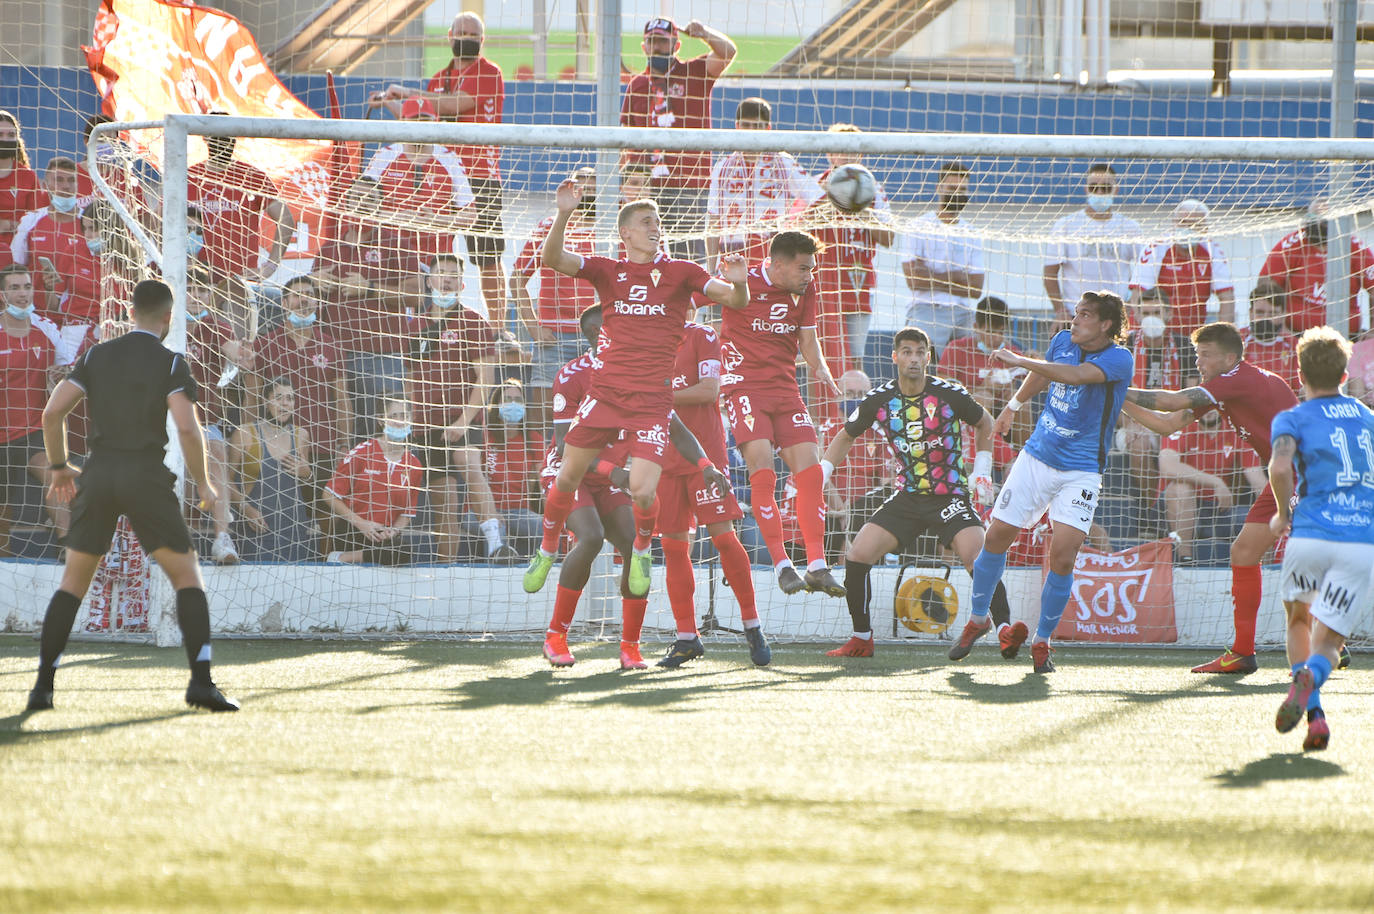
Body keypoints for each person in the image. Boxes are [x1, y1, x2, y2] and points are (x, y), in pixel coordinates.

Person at [523, 184, 749, 600]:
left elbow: (732, 297)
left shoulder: (682, 271)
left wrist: (740, 283)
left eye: (659, 223)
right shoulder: (608, 271)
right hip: (605, 397)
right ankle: (546, 549)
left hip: (651, 403)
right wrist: (563, 214)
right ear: (625, 232)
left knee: (644, 491)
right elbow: (551, 258)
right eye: (647, 222)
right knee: (567, 477)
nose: (656, 229)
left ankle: (643, 550)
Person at [26, 279, 237, 712]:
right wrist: (203, 482)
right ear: (169, 317)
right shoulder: (171, 362)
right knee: (186, 578)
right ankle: (200, 683)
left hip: (99, 475)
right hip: (145, 478)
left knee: (73, 583)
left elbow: (52, 413)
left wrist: (61, 465)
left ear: (129, 312)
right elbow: (185, 427)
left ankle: (43, 688)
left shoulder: (95, 355)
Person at [538, 303, 728, 669]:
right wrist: (613, 472)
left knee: (634, 544)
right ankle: (556, 636)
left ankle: (630, 647)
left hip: (613, 477)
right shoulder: (572, 375)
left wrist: (705, 465)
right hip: (570, 472)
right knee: (591, 537)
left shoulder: (643, 376)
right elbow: (564, 445)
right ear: (598, 335)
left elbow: (677, 429)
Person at [820, 327, 1020, 658]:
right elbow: (845, 435)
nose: (914, 358)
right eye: (907, 352)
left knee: (979, 560)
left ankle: (1003, 629)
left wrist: (982, 472)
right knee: (857, 556)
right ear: (895, 356)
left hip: (950, 496)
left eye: (919, 353)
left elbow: (985, 422)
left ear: (928, 357)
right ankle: (861, 638)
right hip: (907, 497)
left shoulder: (949, 393)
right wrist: (822, 472)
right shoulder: (879, 399)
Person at [965, 291, 1134, 673]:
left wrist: (1018, 359)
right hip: (1037, 457)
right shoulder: (1062, 339)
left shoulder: (1119, 358)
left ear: (1106, 325)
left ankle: (1042, 641)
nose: (1075, 320)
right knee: (995, 536)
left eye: (1085, 315)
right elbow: (1045, 371)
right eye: (1076, 312)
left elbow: (1073, 375)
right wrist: (1012, 407)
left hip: (1082, 469)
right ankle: (978, 618)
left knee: (1063, 555)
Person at [1121, 321, 1298, 673]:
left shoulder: (1239, 379)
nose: (1199, 361)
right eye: (1197, 354)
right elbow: (1168, 423)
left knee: (1305, 561)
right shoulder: (1224, 388)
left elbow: (1170, 400)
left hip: (1308, 475)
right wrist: (1116, 402)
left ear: (1230, 357)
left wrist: (1113, 387)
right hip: (1284, 477)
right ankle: (1242, 653)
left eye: (1206, 355)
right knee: (1244, 552)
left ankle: (1327, 644)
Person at [719, 230, 845, 597]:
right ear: (777, 264)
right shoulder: (740, 278)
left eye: (812, 267)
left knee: (809, 474)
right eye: (803, 267)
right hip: (743, 387)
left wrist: (819, 367)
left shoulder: (807, 289)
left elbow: (808, 338)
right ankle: (782, 564)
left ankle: (818, 566)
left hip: (786, 390)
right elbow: (694, 296)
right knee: (763, 471)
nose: (809, 274)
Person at [1269, 327, 1374, 751]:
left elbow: (1279, 467)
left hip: (1310, 534)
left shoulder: (1292, 417)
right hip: (1360, 543)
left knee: (1298, 620)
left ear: (1301, 372)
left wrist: (1281, 513)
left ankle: (1315, 713)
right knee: (1330, 643)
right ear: (1346, 371)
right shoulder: (1368, 417)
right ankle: (1314, 680)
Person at [371, 11, 507, 321]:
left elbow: (455, 104)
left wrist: (406, 91)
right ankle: (432, 320)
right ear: (449, 36)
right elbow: (418, 124)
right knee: (433, 255)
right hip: (440, 175)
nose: (466, 39)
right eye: (461, 33)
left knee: (486, 257)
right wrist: (390, 103)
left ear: (482, 40)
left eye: (473, 35)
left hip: (479, 175)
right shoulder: (438, 78)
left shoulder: (488, 71)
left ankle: (498, 327)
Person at [654, 317, 770, 668]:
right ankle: (687, 637)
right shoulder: (647, 340)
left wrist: (658, 395)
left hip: (705, 455)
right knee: (673, 546)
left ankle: (752, 626)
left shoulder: (701, 334)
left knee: (723, 537)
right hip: (662, 455)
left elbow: (710, 390)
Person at [405, 253, 517, 563]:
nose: (448, 278)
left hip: (462, 419)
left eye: (454, 273)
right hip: (427, 425)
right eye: (441, 272)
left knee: (468, 463)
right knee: (445, 503)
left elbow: (486, 378)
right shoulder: (415, 325)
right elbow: (410, 379)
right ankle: (446, 569)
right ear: (430, 281)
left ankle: (496, 545)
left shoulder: (472, 321)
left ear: (462, 282)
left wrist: (464, 421)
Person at [620, 16, 736, 260]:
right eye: (651, 41)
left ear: (676, 45)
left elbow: (728, 52)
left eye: (662, 41)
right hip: (647, 190)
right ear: (644, 46)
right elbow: (626, 139)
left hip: (689, 186)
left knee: (689, 260)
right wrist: (625, 185)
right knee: (645, 259)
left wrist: (704, 33)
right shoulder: (637, 85)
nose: (656, 47)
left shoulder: (695, 71)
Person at [511, 167, 599, 440]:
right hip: (554, 338)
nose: (586, 189)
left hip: (598, 339)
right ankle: (546, 474)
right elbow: (516, 279)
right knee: (545, 417)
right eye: (580, 183)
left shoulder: (612, 228)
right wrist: (533, 327)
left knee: (597, 412)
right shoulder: (549, 227)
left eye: (592, 183)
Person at [187, 115, 291, 341]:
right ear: (206, 137)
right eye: (217, 135)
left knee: (239, 350)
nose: (222, 140)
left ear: (235, 137)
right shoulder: (188, 176)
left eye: (228, 135)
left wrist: (270, 266)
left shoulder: (251, 176)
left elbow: (285, 219)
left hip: (239, 283)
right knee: (199, 351)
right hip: (196, 285)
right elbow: (158, 222)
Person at [361, 96, 476, 288]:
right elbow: (359, 207)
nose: (420, 127)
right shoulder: (385, 156)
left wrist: (436, 220)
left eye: (426, 121)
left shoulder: (449, 159)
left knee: (434, 314)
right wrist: (398, 217)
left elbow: (471, 215)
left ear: (435, 123)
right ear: (403, 122)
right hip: (390, 254)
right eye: (415, 121)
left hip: (436, 260)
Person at [809, 124, 895, 376]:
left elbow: (888, 238)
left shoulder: (872, 189)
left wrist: (861, 207)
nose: (847, 156)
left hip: (858, 285)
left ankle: (849, 413)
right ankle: (819, 415)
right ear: (829, 154)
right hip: (821, 287)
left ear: (862, 155)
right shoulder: (815, 185)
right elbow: (797, 228)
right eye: (841, 150)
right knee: (818, 359)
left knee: (855, 362)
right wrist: (828, 200)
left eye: (854, 151)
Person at [705, 97, 824, 274]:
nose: (751, 131)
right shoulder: (722, 167)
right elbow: (713, 220)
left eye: (757, 126)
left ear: (768, 128)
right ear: (737, 126)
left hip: (773, 257)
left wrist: (797, 229)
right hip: (733, 258)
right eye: (746, 125)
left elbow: (818, 198)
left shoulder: (783, 162)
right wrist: (710, 268)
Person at [185, 273, 254, 564]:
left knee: (217, 452)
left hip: (202, 422)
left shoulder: (215, 326)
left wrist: (242, 355)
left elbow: (234, 351)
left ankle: (222, 540)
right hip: (159, 422)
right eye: (189, 289)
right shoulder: (163, 323)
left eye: (202, 289)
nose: (196, 295)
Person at [251, 275, 351, 467]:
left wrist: (344, 443)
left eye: (309, 295)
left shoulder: (332, 346)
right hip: (276, 448)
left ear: (317, 303)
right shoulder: (264, 344)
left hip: (323, 447)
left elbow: (342, 400)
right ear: (285, 303)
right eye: (297, 295)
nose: (304, 300)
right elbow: (253, 397)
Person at [10, 157, 95, 363]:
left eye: (71, 180)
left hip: (77, 323)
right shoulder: (31, 221)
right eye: (59, 180)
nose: (65, 186)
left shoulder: (90, 223)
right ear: (46, 184)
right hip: (39, 318)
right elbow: (15, 267)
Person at [1, 264, 62, 547]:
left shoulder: (47, 329)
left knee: (59, 480)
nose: (22, 294)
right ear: (3, 294)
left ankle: (69, 545)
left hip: (33, 433)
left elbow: (68, 372)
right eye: (14, 288)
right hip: (2, 436)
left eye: (26, 286)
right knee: (3, 512)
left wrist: (61, 377)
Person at [324, 399, 423, 566]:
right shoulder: (362, 452)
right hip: (353, 530)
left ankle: (348, 558)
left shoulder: (414, 465)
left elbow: (407, 513)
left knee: (403, 551)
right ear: (381, 420)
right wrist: (362, 524)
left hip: (383, 538)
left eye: (404, 415)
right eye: (393, 416)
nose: (399, 421)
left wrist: (392, 531)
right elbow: (328, 495)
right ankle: (341, 556)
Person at [1043, 164, 1142, 329]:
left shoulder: (1130, 227)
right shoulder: (1066, 225)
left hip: (1115, 316)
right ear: (1086, 190)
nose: (1100, 193)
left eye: (1105, 188)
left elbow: (1143, 272)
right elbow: (1050, 274)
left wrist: (1132, 306)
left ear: (1115, 190)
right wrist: (1060, 311)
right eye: (1094, 187)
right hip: (1076, 315)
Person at [901, 161, 985, 356]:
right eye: (952, 188)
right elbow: (914, 281)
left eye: (963, 189)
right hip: (926, 308)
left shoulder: (971, 233)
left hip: (963, 311)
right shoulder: (918, 226)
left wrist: (931, 274)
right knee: (921, 362)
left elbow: (975, 289)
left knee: (972, 364)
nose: (958, 193)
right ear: (939, 188)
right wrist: (956, 276)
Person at [229, 377, 315, 563]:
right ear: (265, 401)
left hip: (294, 530)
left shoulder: (301, 435)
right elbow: (224, 481)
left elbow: (307, 480)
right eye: (278, 397)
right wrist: (246, 509)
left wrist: (307, 473)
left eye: (290, 398)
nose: (285, 403)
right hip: (256, 529)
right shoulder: (244, 433)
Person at [1259, 206, 1374, 338]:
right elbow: (1265, 286)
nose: (1317, 224)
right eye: (1312, 219)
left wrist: (1372, 331)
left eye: (1322, 221)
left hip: (1345, 336)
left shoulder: (1356, 248)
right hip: (1295, 335)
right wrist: (1281, 329)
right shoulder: (1290, 244)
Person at [1128, 199, 1235, 333]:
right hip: (1154, 330)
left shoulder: (1213, 250)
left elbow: (1227, 296)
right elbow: (1138, 293)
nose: (1187, 229)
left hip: (1192, 333)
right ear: (1174, 224)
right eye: (1183, 223)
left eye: (1195, 224)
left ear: (1205, 229)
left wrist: (1224, 333)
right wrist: (1146, 329)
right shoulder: (1157, 247)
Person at [480, 380, 545, 557]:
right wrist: (491, 512)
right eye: (507, 399)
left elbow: (544, 479)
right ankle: (495, 570)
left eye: (518, 399)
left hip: (519, 511)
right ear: (497, 405)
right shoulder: (484, 436)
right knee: (495, 525)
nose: (513, 404)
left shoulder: (534, 438)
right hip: (481, 512)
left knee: (547, 526)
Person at [0, 110, 43, 273]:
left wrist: (11, 225)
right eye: (1, 134)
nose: (5, 139)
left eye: (11, 134)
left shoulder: (27, 176)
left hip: (17, 262)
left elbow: (37, 219)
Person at [1240, 278, 1300, 392]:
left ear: (1283, 314)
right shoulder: (1237, 341)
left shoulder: (1294, 347)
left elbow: (1299, 391)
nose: (1265, 319)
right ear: (1250, 313)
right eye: (1260, 312)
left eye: (1272, 313)